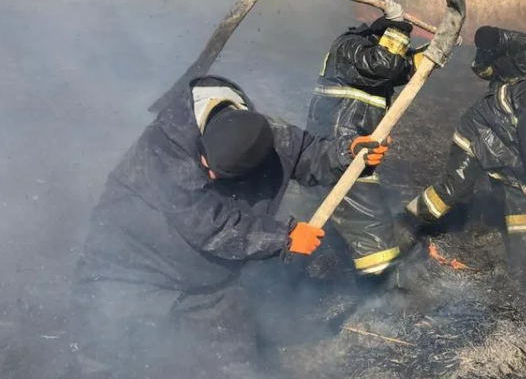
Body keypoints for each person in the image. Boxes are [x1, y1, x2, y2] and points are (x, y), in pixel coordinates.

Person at [66, 74, 389, 379]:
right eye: (206, 166)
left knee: (235, 366)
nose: (209, 176)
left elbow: (308, 153)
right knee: (102, 354)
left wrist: (347, 154)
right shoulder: (166, 146)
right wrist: (284, 237)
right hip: (129, 265)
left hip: (207, 282)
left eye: (219, 175)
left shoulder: (263, 135)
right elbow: (211, 226)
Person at [275, 0, 426, 282]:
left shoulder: (368, 56)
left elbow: (402, 69)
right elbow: (385, 64)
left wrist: (436, 50)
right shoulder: (350, 46)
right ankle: (382, 288)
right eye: (392, 40)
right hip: (340, 145)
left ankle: (291, 273)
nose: (396, 47)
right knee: (374, 232)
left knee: (330, 218)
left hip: (349, 144)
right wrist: (399, 28)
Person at [405, 56, 526, 268]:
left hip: (514, 153)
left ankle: (525, 265)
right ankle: (408, 223)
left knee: (524, 209)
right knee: (455, 189)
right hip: (481, 136)